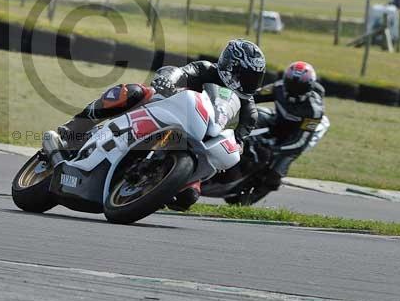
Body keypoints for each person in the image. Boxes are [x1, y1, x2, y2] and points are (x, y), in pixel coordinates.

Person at [42, 39, 266, 211]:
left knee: (188, 198)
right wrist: (168, 79)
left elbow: (239, 139)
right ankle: (75, 128)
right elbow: (181, 72)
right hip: (167, 110)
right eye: (245, 76)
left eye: (253, 79)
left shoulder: (249, 110)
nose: (249, 83)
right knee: (133, 92)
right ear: (230, 65)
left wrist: (236, 148)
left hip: (198, 145)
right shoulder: (207, 69)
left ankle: (149, 187)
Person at [246, 61, 328, 199]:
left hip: (297, 136)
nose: (293, 89)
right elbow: (252, 97)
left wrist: (275, 149)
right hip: (278, 122)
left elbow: (300, 142)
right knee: (255, 114)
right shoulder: (278, 87)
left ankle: (248, 201)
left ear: (309, 86)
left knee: (274, 175)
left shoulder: (314, 110)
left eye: (299, 86)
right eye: (290, 84)